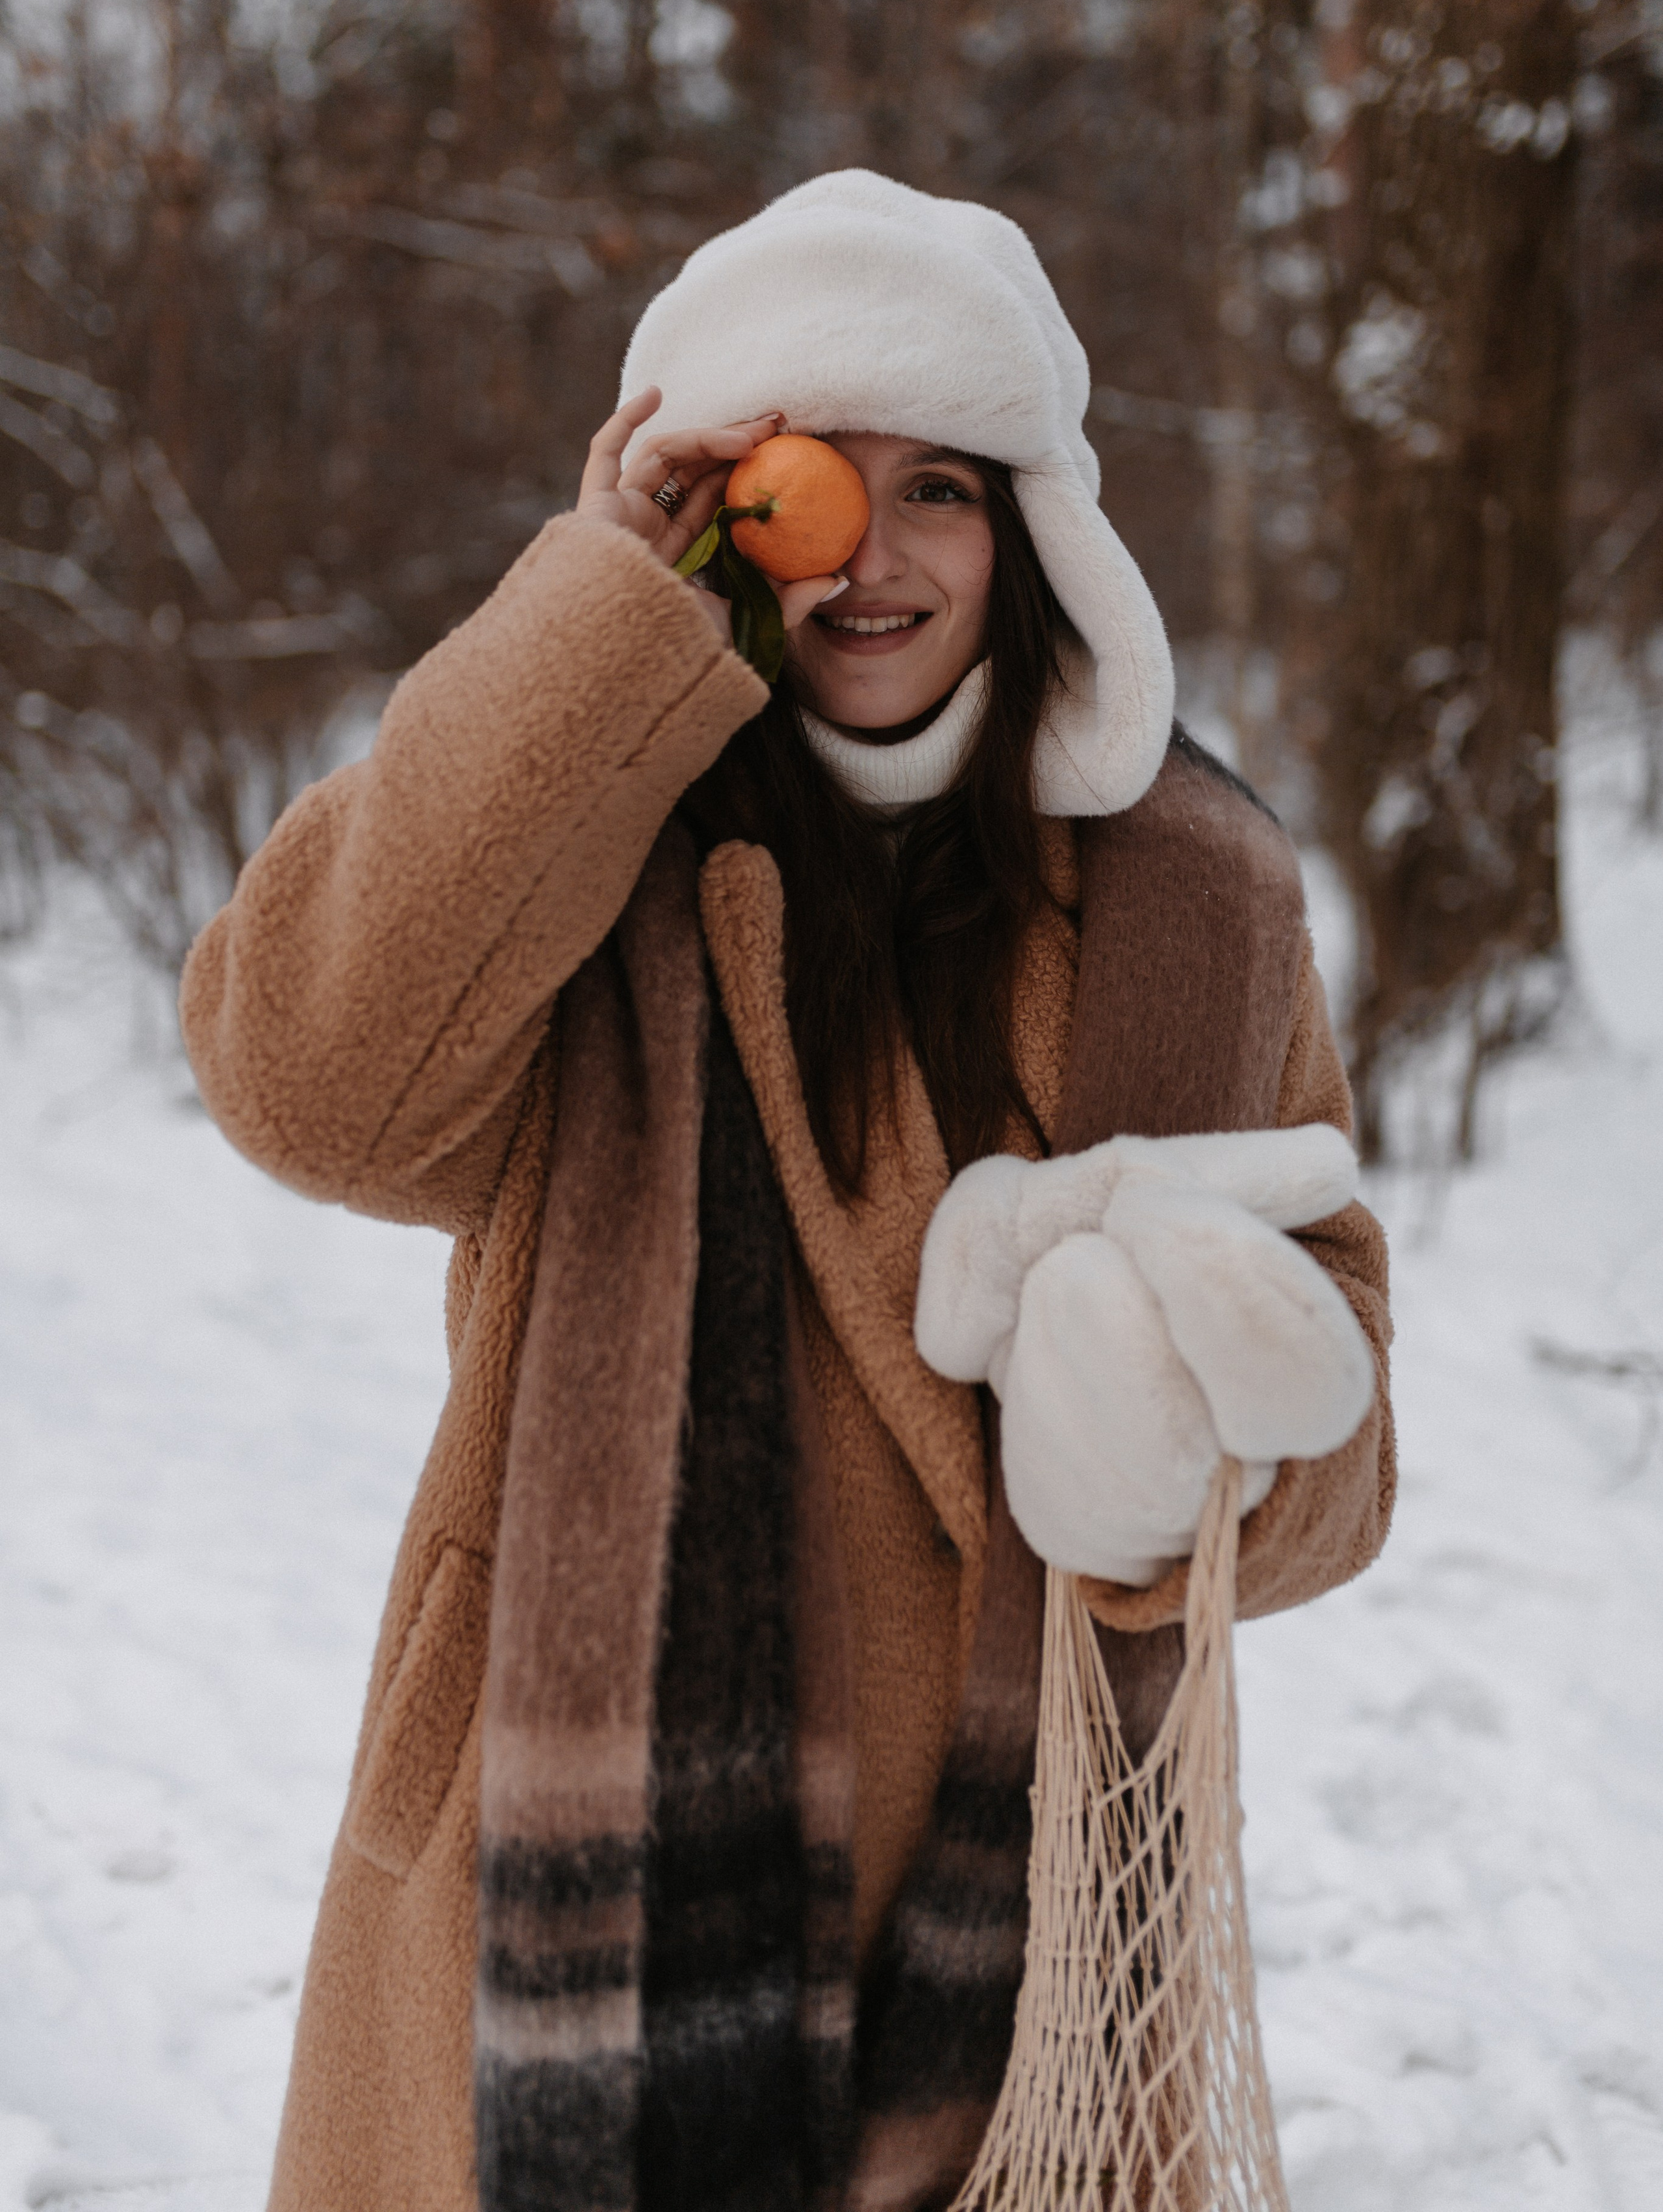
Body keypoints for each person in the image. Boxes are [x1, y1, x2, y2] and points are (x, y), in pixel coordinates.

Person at [181, 170, 1393, 2212]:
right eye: (817, 482)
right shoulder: (581, 843)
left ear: (1032, 534)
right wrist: (586, 602)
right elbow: (309, 1084)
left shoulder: (1204, 903)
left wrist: (1190, 1463)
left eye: (945, 487)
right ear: (729, 512)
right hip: (569, 1902)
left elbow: (1344, 1431)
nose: (878, 559)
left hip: (1038, 1945)